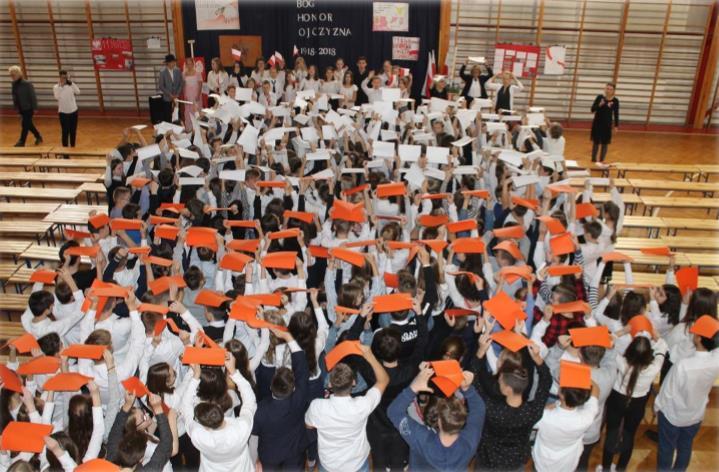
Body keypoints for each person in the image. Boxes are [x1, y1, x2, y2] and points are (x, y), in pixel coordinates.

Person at [305, 344, 389, 472]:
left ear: (329, 383)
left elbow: (309, 425)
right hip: (357, 464)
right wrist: (370, 356)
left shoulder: (317, 406)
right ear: (354, 383)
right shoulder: (362, 405)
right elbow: (383, 380)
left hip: (329, 464)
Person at [387, 362, 485, 471]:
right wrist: (467, 389)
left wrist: (414, 387)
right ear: (463, 419)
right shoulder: (470, 440)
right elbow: (479, 409)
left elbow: (394, 411)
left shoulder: (421, 437)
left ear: (438, 421)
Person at [655, 315, 719, 471]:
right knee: (685, 447)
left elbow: (666, 393)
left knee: (666, 448)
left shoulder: (683, 365)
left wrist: (657, 408)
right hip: (696, 414)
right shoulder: (716, 359)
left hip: (672, 415)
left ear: (698, 339)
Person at [9, 65, 42, 146]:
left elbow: (32, 96)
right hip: (21, 108)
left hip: (29, 108)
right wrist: (16, 107)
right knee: (28, 124)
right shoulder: (13, 84)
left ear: (18, 74)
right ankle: (38, 136)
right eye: (11, 75)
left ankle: (22, 141)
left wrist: (35, 107)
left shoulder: (27, 84)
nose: (12, 77)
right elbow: (14, 96)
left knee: (24, 124)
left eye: (13, 75)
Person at [590, 82, 620, 162]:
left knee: (605, 144)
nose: (608, 90)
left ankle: (601, 161)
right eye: (607, 88)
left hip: (607, 125)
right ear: (605, 89)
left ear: (613, 91)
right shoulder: (599, 97)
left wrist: (616, 126)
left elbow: (616, 114)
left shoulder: (615, 101)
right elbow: (592, 110)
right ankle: (593, 161)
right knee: (596, 143)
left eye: (610, 89)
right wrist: (599, 105)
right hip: (597, 124)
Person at [53, 69, 80, 147]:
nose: (64, 79)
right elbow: (56, 97)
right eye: (62, 77)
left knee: (73, 131)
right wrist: (61, 86)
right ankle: (65, 152)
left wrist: (71, 83)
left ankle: (73, 148)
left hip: (73, 111)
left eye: (66, 77)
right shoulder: (56, 87)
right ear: (60, 78)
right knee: (65, 132)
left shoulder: (71, 85)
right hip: (63, 113)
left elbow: (78, 92)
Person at [158, 54, 183, 123]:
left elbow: (181, 83)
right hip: (167, 97)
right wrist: (169, 94)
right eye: (172, 62)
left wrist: (177, 93)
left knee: (177, 114)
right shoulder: (162, 72)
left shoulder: (178, 70)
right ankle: (169, 131)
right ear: (167, 63)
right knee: (167, 115)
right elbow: (161, 86)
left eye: (174, 62)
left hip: (176, 97)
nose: (174, 63)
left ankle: (178, 130)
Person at [182, 57, 203, 131]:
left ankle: (197, 129)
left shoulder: (197, 73)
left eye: (190, 64)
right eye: (188, 64)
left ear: (193, 64)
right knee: (188, 112)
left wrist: (198, 95)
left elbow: (200, 84)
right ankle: (189, 128)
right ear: (186, 65)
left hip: (196, 94)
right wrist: (185, 95)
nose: (189, 65)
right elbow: (184, 85)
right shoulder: (184, 74)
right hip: (188, 95)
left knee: (196, 110)